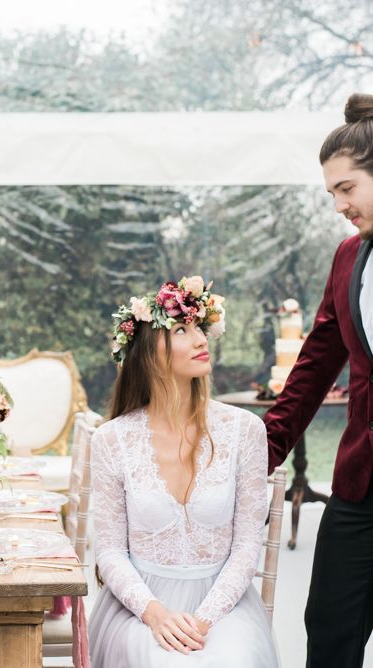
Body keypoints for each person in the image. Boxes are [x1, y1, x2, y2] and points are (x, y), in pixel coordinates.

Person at [89, 276, 279, 667]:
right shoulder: (112, 440)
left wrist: (204, 620)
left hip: (224, 607)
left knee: (233, 659)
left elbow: (246, 547)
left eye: (200, 329)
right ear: (146, 352)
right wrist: (155, 614)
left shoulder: (245, 430)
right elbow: (109, 550)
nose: (200, 340)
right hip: (140, 607)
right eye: (181, 330)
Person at [265, 92, 373, 668]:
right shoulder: (347, 258)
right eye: (331, 192)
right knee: (329, 626)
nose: (338, 204)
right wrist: (263, 447)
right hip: (361, 481)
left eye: (347, 188)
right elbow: (314, 365)